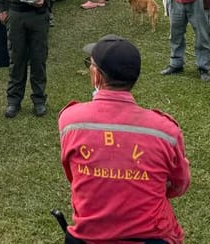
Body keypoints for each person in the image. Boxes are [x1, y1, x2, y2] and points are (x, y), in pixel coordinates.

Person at [59, 35, 190, 244]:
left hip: (89, 238)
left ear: (97, 76)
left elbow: (73, 176)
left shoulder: (70, 120)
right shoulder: (166, 131)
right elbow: (179, 185)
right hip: (151, 238)